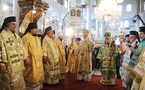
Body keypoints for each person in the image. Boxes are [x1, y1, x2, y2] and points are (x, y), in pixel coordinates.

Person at [0, 16, 28, 90]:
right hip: (9, 65)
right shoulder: (2, 35)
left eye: (15, 24)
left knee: (19, 82)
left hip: (19, 65)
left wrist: (25, 57)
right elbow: (0, 50)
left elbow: (22, 47)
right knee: (10, 83)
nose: (15, 26)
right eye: (13, 24)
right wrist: (2, 64)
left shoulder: (17, 35)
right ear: (7, 24)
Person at [22, 22, 44, 90]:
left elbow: (40, 48)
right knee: (32, 75)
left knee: (38, 74)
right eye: (35, 28)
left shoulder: (37, 38)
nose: (37, 30)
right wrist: (25, 58)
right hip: (31, 61)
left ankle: (38, 87)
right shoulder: (25, 37)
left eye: (37, 28)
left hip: (39, 61)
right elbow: (23, 49)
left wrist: (42, 56)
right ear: (31, 30)